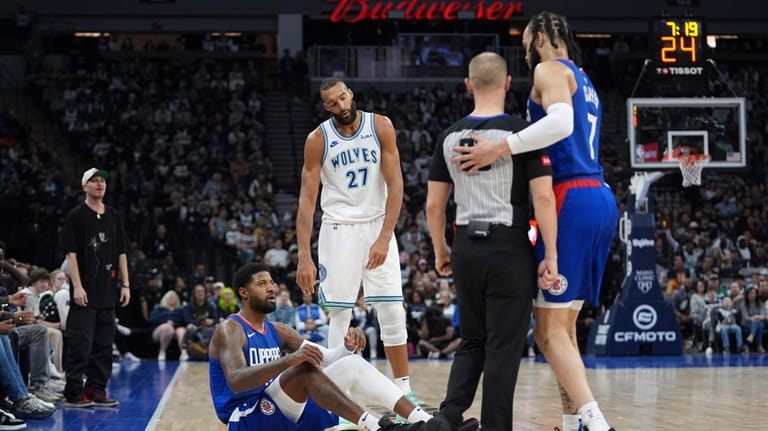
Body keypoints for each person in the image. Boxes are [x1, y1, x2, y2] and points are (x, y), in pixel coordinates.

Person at [451, 12, 618, 431]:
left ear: (540, 38)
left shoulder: (549, 68)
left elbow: (560, 124)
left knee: (546, 333)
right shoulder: (584, 78)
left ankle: (598, 425)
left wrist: (500, 148)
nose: (525, 54)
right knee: (564, 328)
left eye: (526, 43)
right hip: (598, 197)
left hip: (570, 197)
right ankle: (572, 420)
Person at [424, 52, 558, 431]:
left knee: (472, 339)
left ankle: (448, 416)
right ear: (507, 83)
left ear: (468, 85)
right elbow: (544, 198)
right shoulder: (522, 134)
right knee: (503, 345)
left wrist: (440, 249)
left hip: (465, 245)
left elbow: (434, 204)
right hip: (509, 246)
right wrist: (552, 253)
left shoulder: (448, 137)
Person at [296, 78, 417, 408]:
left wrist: (383, 236)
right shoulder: (317, 139)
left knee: (392, 309)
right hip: (338, 229)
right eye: (333, 103)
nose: (342, 105)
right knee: (339, 313)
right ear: (326, 106)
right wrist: (304, 256)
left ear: (350, 93)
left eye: (344, 97)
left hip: (376, 224)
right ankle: (339, 397)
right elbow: (307, 202)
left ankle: (405, 391)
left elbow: (396, 185)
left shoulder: (380, 126)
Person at [208, 262, 432, 431]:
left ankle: (424, 420)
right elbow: (237, 381)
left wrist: (347, 347)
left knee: (351, 363)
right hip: (247, 418)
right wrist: (288, 361)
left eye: (272, 283)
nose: (271, 288)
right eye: (262, 284)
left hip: (281, 410)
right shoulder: (230, 329)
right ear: (243, 293)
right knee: (304, 370)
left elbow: (325, 358)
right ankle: (378, 427)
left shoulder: (278, 330)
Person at [62, 167, 131, 407]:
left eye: (103, 180)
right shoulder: (76, 216)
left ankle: (96, 389)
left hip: (108, 292)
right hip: (85, 292)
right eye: (94, 181)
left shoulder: (113, 215)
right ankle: (73, 391)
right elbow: (71, 255)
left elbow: (121, 252)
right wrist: (77, 286)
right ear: (85, 186)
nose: (100, 184)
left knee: (103, 346)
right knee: (80, 345)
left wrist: (126, 284)